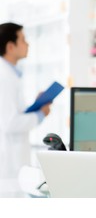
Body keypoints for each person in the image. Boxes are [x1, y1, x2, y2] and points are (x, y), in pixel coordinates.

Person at [0, 22, 51, 197]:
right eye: (23, 39)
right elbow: (9, 123)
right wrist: (39, 115)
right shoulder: (4, 77)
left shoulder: (10, 75)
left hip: (13, 161)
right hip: (8, 163)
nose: (27, 43)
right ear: (10, 47)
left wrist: (36, 106)